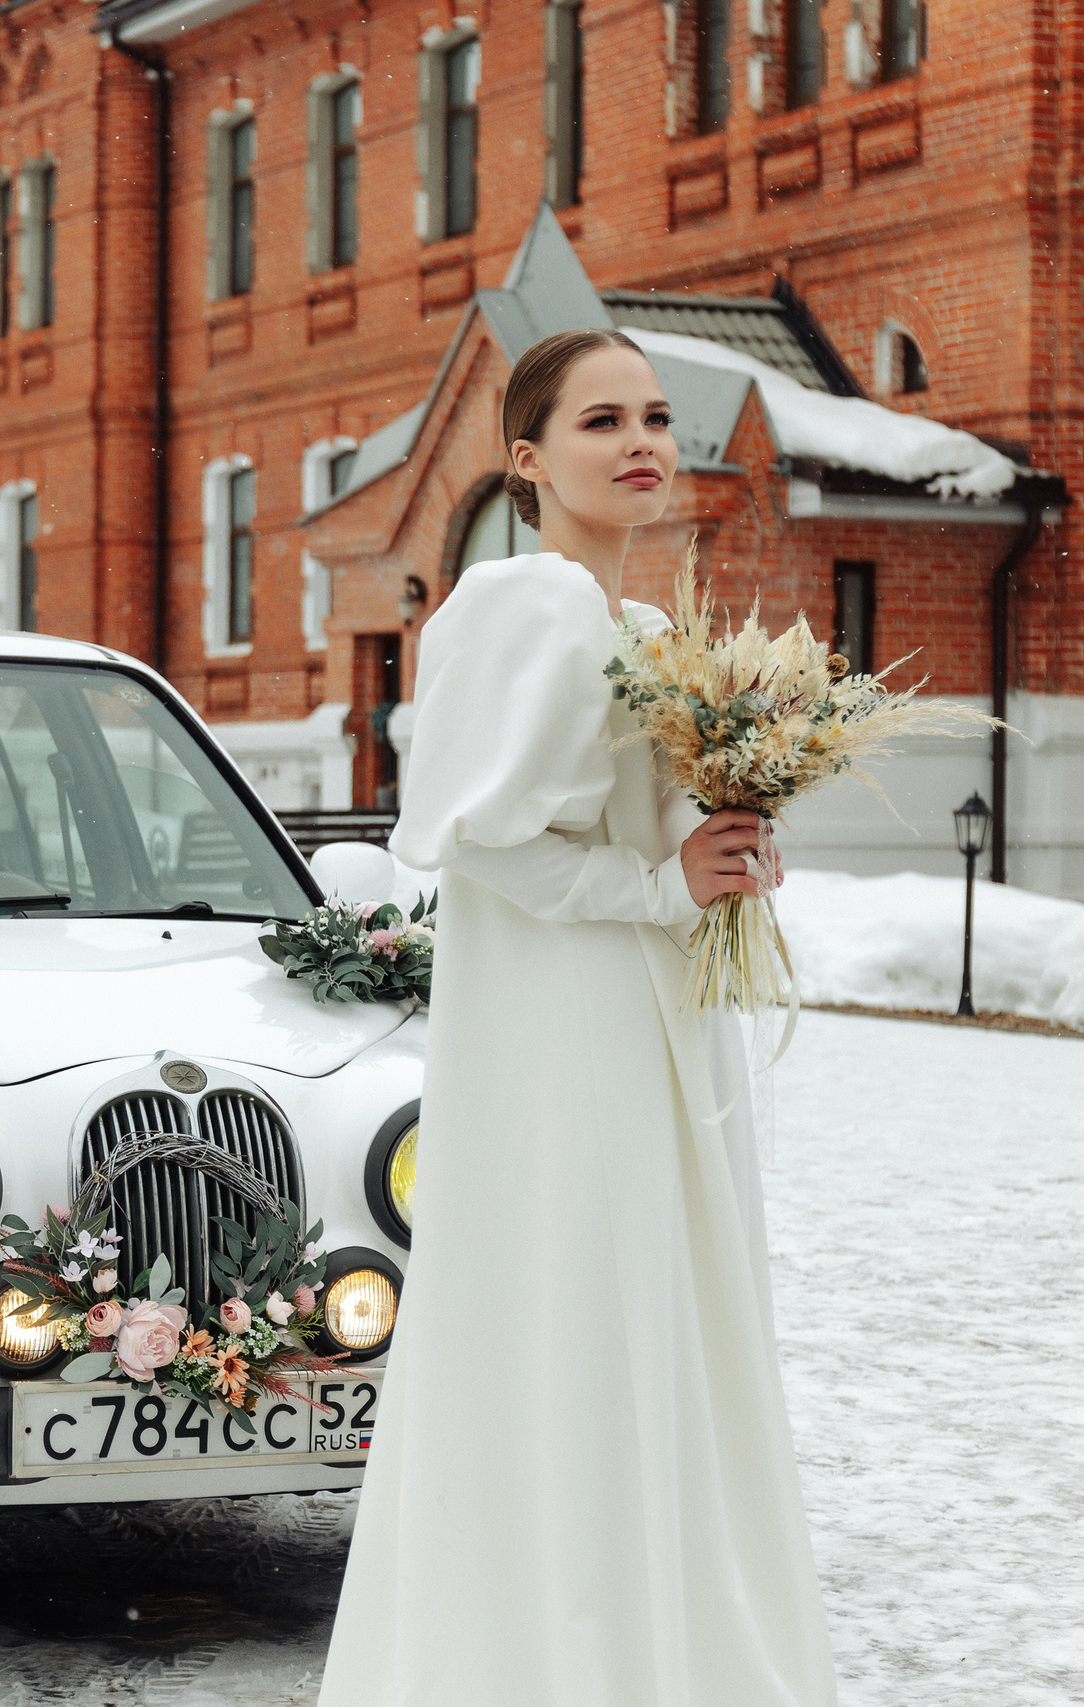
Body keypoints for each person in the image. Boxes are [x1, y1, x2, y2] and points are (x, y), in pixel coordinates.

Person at [316, 330, 838, 1704]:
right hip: (565, 1031)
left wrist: (726, 841)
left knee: (651, 1322)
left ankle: (659, 1651)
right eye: (602, 419)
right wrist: (661, 884)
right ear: (529, 458)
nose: (642, 439)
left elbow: (640, 839)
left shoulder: (651, 631)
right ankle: (551, 1662)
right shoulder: (521, 602)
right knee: (573, 1319)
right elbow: (481, 839)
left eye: (658, 415)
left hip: (657, 1022)